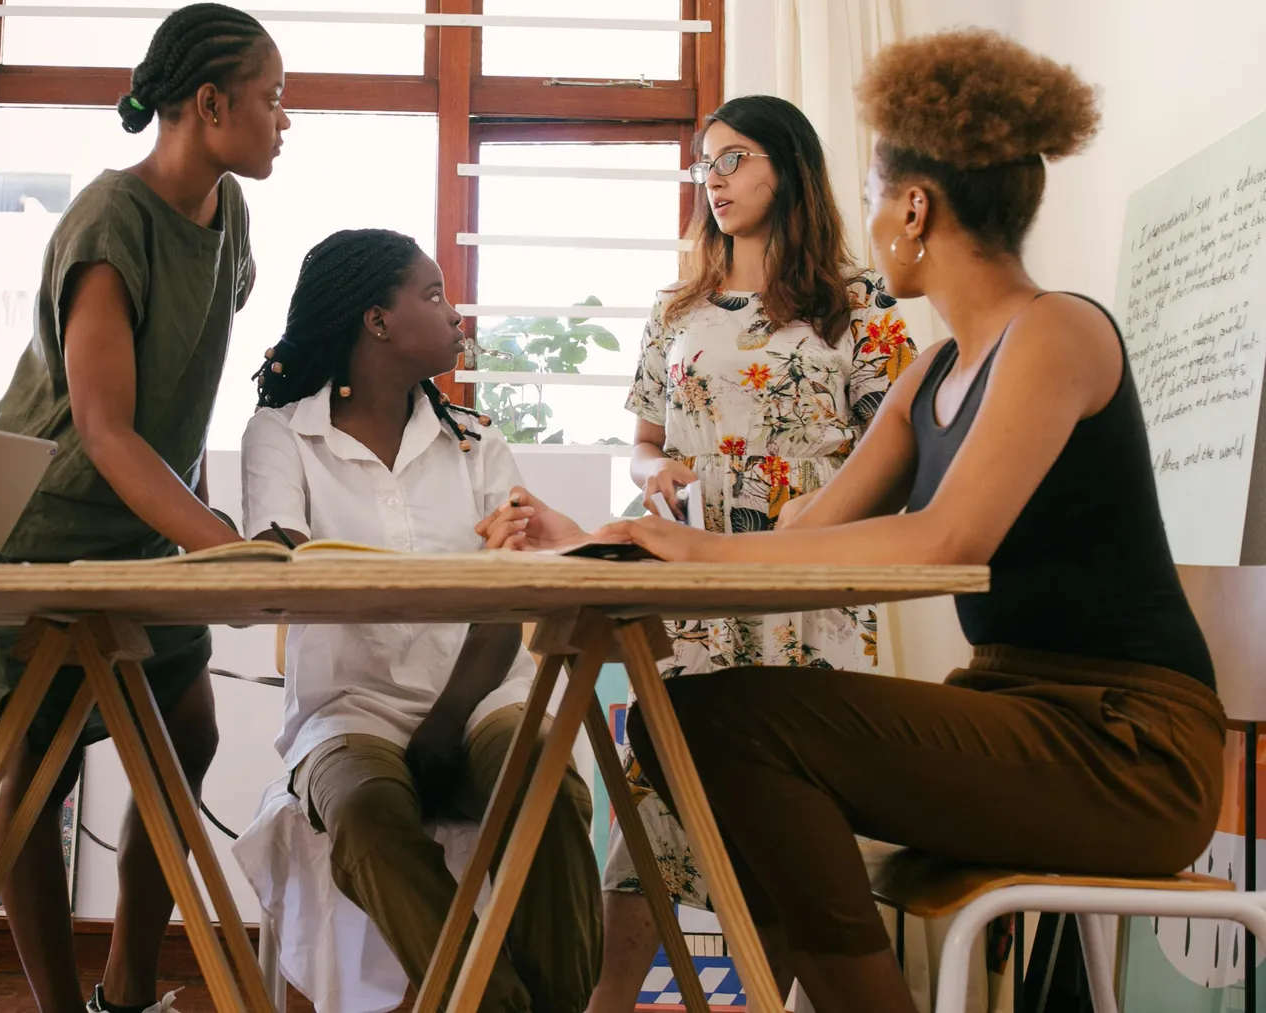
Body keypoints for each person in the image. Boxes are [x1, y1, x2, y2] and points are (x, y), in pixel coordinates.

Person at [485, 30, 1224, 1013]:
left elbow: (947, 539)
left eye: (878, 196)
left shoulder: (1057, 331)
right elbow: (795, 540)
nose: (870, 220)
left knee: (722, 726)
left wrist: (700, 544)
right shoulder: (932, 375)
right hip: (1024, 711)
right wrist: (603, 534)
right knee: (690, 728)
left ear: (914, 208)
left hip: (1126, 751)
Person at [0, 5, 288, 1012]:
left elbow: (181, 395)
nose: (285, 119)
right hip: (47, 533)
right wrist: (226, 548)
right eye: (273, 99)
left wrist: (200, 536)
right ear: (208, 103)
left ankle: (127, 990)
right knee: (41, 778)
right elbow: (103, 430)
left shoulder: (229, 217)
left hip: (149, 526)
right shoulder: (110, 220)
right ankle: (63, 1006)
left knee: (183, 736)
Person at [588, 94, 913, 1012]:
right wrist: (656, 472)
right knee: (655, 803)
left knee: (793, 822)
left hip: (813, 583)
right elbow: (645, 441)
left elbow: (905, 446)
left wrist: (832, 495)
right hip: (694, 581)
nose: (714, 180)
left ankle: (760, 1001)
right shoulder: (677, 306)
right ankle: (607, 1001)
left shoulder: (865, 305)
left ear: (789, 165)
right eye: (705, 164)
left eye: (733, 159)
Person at [238, 229, 601, 1013]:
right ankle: (491, 1004)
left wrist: (444, 724)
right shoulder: (283, 433)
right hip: (347, 710)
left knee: (551, 791)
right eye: (433, 295)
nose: (455, 313)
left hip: (482, 700)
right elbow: (283, 569)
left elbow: (506, 606)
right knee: (368, 817)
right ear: (377, 321)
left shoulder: (475, 442)